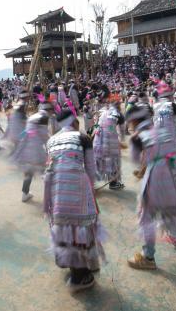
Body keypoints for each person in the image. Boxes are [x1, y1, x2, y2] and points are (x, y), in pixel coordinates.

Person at [126, 103, 176, 270]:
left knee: (147, 216)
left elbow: (136, 160)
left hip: (157, 178)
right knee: (172, 209)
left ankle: (148, 256)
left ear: (134, 121)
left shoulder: (137, 137)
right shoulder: (163, 131)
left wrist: (143, 166)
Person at [43, 108, 104, 292]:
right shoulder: (83, 138)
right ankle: (80, 277)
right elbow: (91, 171)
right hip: (77, 188)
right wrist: (90, 192)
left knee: (63, 227)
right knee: (80, 229)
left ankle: (66, 262)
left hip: (55, 189)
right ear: (75, 122)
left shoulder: (51, 140)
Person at [12, 102, 52, 202]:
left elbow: (26, 131)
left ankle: (25, 194)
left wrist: (18, 139)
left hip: (25, 148)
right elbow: (44, 135)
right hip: (35, 150)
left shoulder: (33, 116)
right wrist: (53, 144)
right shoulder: (44, 117)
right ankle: (54, 194)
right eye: (52, 110)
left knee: (29, 173)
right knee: (46, 171)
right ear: (49, 110)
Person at [93, 96, 125, 190]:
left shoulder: (100, 111)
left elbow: (95, 124)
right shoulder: (118, 114)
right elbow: (122, 131)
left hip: (97, 140)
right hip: (111, 142)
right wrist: (121, 140)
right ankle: (113, 183)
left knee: (98, 160)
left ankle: (91, 183)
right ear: (118, 104)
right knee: (113, 161)